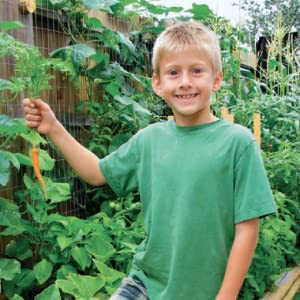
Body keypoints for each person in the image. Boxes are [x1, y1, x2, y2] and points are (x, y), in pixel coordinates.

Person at [23, 21, 277, 300]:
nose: (185, 81)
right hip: (144, 283)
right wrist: (54, 128)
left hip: (202, 293)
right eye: (173, 72)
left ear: (216, 78)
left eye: (197, 70)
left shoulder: (237, 143)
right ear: (157, 83)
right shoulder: (149, 140)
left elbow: (247, 231)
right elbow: (96, 172)